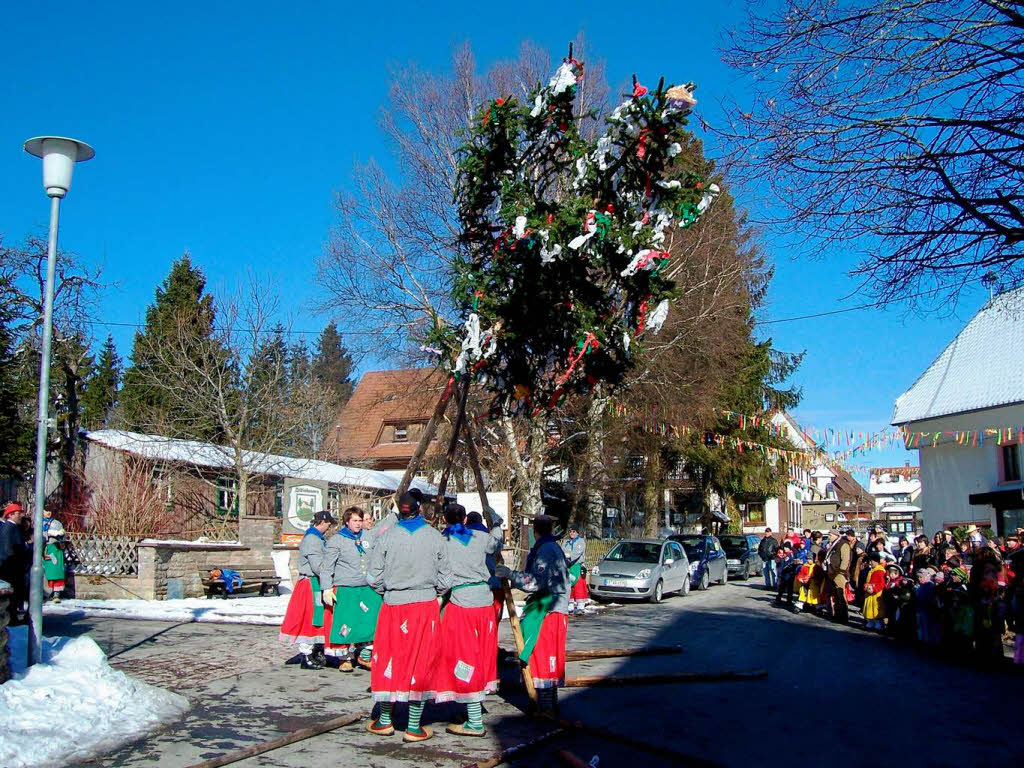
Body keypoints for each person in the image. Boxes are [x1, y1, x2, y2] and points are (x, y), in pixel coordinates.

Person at [366, 491, 452, 743]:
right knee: (421, 661)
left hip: (393, 605)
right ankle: (414, 726)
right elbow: (446, 580)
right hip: (425, 606)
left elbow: (372, 577)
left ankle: (384, 721)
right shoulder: (435, 537)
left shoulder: (386, 537)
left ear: (399, 510)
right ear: (419, 509)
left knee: (388, 658)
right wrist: (431, 592)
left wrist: (387, 590)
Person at [435, 502, 505, 737]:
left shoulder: (442, 542)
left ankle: (474, 719)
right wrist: (495, 521)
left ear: (445, 520)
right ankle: (466, 705)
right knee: (481, 653)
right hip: (484, 604)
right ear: (465, 519)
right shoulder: (479, 536)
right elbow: (497, 540)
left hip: (461, 603)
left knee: (462, 656)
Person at [495, 513, 570, 713]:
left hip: (548, 609)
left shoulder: (546, 550)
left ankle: (544, 705)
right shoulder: (552, 547)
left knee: (543, 658)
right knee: (548, 658)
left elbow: (536, 582)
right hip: (553, 607)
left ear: (535, 531)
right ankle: (549, 704)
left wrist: (511, 574)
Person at [321, 506, 381, 673]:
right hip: (346, 588)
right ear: (347, 522)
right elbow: (327, 567)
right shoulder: (337, 541)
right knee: (346, 623)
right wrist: (326, 588)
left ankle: (365, 654)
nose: (358, 524)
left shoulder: (368, 537)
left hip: (367, 588)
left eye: (360, 520)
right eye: (354, 520)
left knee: (370, 621)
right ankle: (345, 658)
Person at [279, 509, 336, 669]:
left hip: (316, 582)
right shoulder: (313, 539)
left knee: (318, 617)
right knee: (309, 617)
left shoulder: (317, 537)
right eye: (329, 525)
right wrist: (331, 571)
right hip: (310, 583)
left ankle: (316, 650)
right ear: (323, 522)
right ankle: (306, 654)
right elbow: (318, 565)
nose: (329, 528)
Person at [0, 502, 28, 623]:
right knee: (12, 597)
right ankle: (11, 620)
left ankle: (13, 618)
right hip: (10, 570)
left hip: (14, 568)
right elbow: (7, 551)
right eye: (19, 513)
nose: (21, 515)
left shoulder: (14, 527)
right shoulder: (8, 528)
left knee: (15, 597)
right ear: (10, 515)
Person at [825, 528, 854, 623]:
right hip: (831, 572)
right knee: (835, 596)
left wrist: (841, 571)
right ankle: (837, 614)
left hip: (839, 573)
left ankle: (844, 616)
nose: (829, 537)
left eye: (830, 535)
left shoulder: (843, 544)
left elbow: (845, 559)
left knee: (840, 595)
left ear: (836, 535)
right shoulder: (834, 545)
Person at [563, 523, 588, 615]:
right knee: (569, 585)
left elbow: (577, 553)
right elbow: (562, 551)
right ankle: (570, 604)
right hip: (568, 566)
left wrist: (568, 555)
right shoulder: (566, 542)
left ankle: (580, 605)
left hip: (577, 566)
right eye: (570, 531)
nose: (572, 533)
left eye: (574, 531)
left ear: (577, 532)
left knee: (578, 585)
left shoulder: (580, 542)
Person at [862, 552, 887, 631]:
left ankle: (878, 623)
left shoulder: (880, 571)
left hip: (876, 594)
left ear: (876, 561)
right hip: (869, 593)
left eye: (871, 561)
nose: (870, 563)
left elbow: (882, 583)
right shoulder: (871, 570)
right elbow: (867, 581)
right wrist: (866, 586)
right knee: (870, 608)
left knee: (876, 609)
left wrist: (874, 588)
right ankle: (870, 621)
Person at [43, 520, 67, 603]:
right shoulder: (42, 524)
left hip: (57, 554)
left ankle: (56, 594)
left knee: (58, 575)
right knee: (48, 575)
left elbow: (63, 541)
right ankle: (47, 594)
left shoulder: (56, 523)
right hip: (48, 554)